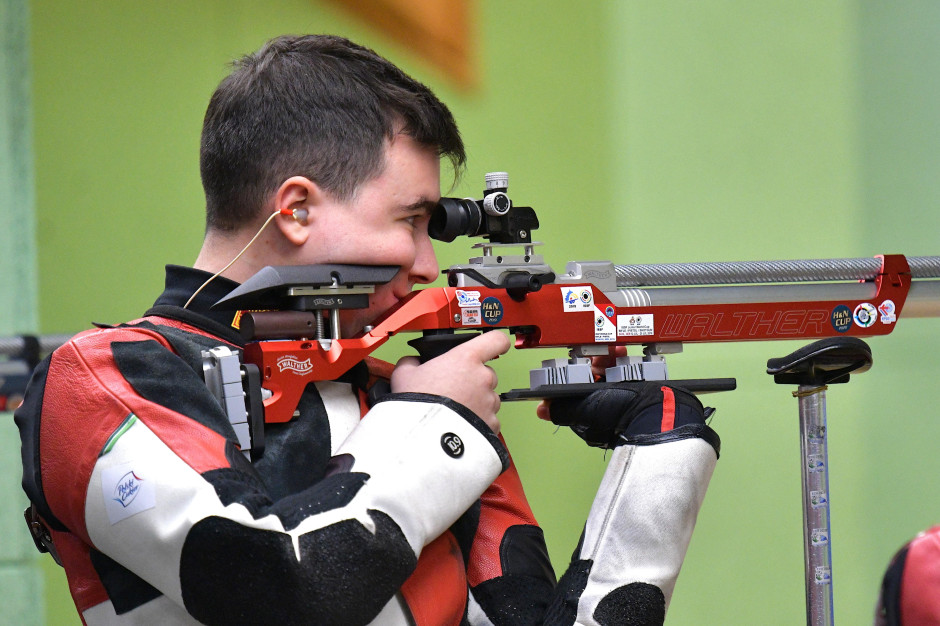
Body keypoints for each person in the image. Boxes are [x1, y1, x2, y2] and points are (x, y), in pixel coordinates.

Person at [15, 34, 720, 625]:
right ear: (295, 209)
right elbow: (282, 588)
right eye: (411, 221)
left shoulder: (403, 398)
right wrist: (436, 420)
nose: (429, 265)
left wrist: (661, 453)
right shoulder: (102, 379)